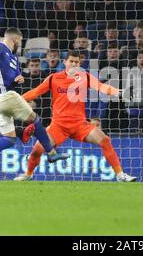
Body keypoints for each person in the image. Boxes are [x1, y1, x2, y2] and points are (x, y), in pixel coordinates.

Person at [14, 50, 136, 182]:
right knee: (37, 150)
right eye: (71, 61)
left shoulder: (85, 77)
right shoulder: (54, 78)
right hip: (58, 126)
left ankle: (120, 175)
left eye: (76, 62)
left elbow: (101, 87)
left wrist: (119, 93)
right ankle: (28, 174)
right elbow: (36, 92)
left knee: (105, 140)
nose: (73, 64)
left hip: (79, 124)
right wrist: (19, 99)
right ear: (64, 62)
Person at [0, 28, 67, 176]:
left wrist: (18, 81)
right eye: (21, 41)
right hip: (3, 96)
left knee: (10, 139)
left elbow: (11, 82)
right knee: (35, 120)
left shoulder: (14, 58)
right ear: (16, 39)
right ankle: (51, 152)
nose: (20, 44)